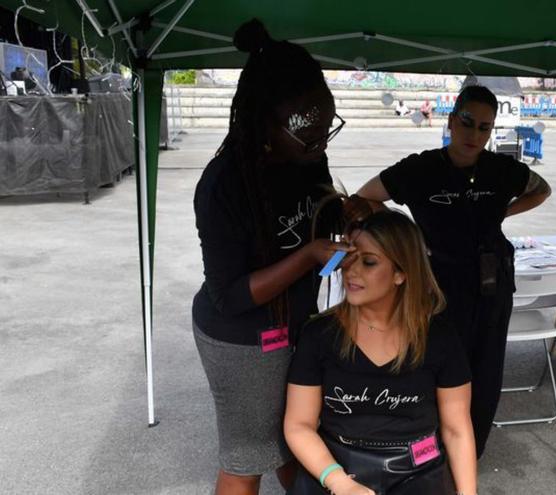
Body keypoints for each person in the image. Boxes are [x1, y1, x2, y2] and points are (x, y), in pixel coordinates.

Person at [191, 19, 351, 495]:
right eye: (309, 134)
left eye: (328, 128)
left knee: (292, 441)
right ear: (263, 121)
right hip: (239, 340)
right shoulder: (222, 185)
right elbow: (231, 296)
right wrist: (307, 258)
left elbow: (318, 220)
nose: (321, 143)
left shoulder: (308, 156)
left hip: (295, 325)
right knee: (246, 457)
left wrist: (346, 215)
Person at [348, 85, 552, 458]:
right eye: (468, 123)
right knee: (432, 364)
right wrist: (408, 233)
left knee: (485, 371)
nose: (474, 135)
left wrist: (501, 213)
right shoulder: (420, 169)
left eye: (484, 128)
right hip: (436, 286)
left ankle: (469, 453)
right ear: (451, 120)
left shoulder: (502, 169)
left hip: (492, 286)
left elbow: (542, 190)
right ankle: (427, 452)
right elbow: (363, 198)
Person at [284, 210, 477, 495]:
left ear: (401, 273)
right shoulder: (320, 335)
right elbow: (299, 425)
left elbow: (457, 429)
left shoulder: (439, 336)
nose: (352, 271)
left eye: (369, 262)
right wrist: (340, 483)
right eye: (348, 259)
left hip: (419, 468)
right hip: (337, 465)